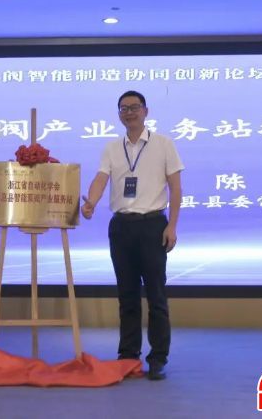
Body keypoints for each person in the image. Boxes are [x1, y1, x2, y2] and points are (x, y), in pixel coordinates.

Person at [81, 90, 183, 381]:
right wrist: (91, 202)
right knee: (127, 295)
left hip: (152, 226)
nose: (129, 112)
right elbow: (101, 178)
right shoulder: (112, 148)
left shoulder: (164, 144)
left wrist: (172, 226)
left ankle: (158, 358)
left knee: (156, 295)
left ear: (145, 111)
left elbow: (176, 187)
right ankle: (128, 356)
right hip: (121, 227)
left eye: (134, 107)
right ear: (119, 115)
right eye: (124, 108)